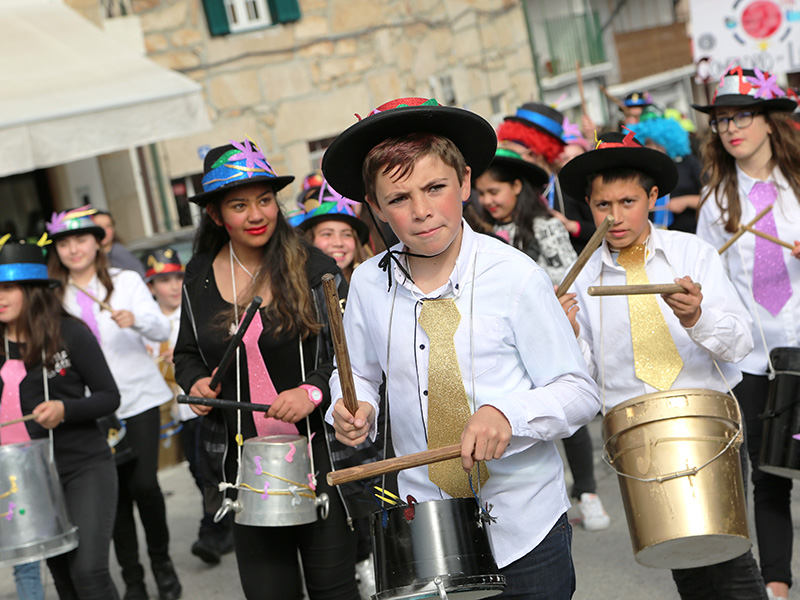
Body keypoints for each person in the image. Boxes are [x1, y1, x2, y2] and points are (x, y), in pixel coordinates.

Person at [322, 97, 602, 599]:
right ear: (377, 206)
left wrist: (508, 414)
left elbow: (578, 391)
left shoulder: (515, 275)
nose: (422, 210)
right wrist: (352, 405)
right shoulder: (366, 282)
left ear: (466, 182)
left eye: (435, 188)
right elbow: (359, 374)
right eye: (400, 198)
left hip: (524, 519)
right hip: (426, 521)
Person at [558, 130, 767, 599]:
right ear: (587, 207)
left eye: (628, 201)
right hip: (641, 436)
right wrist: (568, 337)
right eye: (601, 205)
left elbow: (738, 344)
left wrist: (698, 317)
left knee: (729, 555)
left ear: (653, 196)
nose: (614, 217)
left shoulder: (693, 254)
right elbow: (589, 381)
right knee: (683, 561)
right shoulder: (583, 279)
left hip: (706, 423)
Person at [172, 139, 360, 600]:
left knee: (336, 590)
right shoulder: (197, 274)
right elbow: (185, 353)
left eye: (264, 201)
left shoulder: (314, 266)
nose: (257, 215)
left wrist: (312, 391)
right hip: (244, 465)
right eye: (239, 205)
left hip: (319, 457)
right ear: (216, 215)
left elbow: (350, 353)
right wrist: (194, 381)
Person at [693, 66, 800, 600]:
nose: (731, 128)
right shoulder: (715, 204)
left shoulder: (799, 183)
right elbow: (711, 287)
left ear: (769, 120)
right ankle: (776, 586)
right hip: (755, 361)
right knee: (769, 475)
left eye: (742, 115)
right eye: (722, 119)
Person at [46, 207, 181, 600]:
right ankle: (134, 580)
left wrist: (134, 319)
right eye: (65, 243)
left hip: (139, 397)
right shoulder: (54, 292)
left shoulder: (126, 281)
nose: (74, 249)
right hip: (92, 407)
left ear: (97, 242)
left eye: (82, 240)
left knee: (144, 485)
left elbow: (160, 327)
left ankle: (162, 564)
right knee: (116, 497)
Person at [0, 237, 121, 599]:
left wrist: (65, 410)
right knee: (64, 579)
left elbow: (109, 396)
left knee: (89, 573)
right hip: (28, 479)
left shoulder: (69, 333)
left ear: (33, 290)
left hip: (84, 466)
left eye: (7, 288)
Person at [142, 247, 235, 566]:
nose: (172, 286)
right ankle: (222, 526)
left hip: (202, 406)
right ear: (151, 287)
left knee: (209, 470)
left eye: (178, 277)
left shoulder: (195, 309)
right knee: (200, 473)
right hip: (174, 412)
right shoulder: (148, 322)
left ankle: (212, 531)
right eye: (163, 280)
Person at [498, 103, 596, 253]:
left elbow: (604, 231)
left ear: (535, 154)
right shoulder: (514, 188)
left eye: (518, 155)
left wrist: (572, 226)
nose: (514, 162)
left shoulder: (571, 184)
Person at [475, 147, 578, 285]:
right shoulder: (483, 229)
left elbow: (570, 274)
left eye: (493, 192)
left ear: (516, 186)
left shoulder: (545, 226)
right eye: (481, 194)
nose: (487, 201)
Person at [629, 108, 702, 233]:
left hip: (690, 232)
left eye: (656, 143)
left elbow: (714, 201)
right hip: (654, 236)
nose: (650, 148)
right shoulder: (641, 170)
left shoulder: (688, 162)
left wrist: (686, 201)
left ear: (667, 141)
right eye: (647, 143)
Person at [297, 179, 372, 282]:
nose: (338, 243)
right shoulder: (295, 291)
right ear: (309, 239)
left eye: (346, 234)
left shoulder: (375, 284)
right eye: (327, 234)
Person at [92, 210, 147, 278]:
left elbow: (141, 277)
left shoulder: (120, 253)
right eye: (99, 226)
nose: (104, 231)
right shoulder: (93, 255)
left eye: (108, 226)